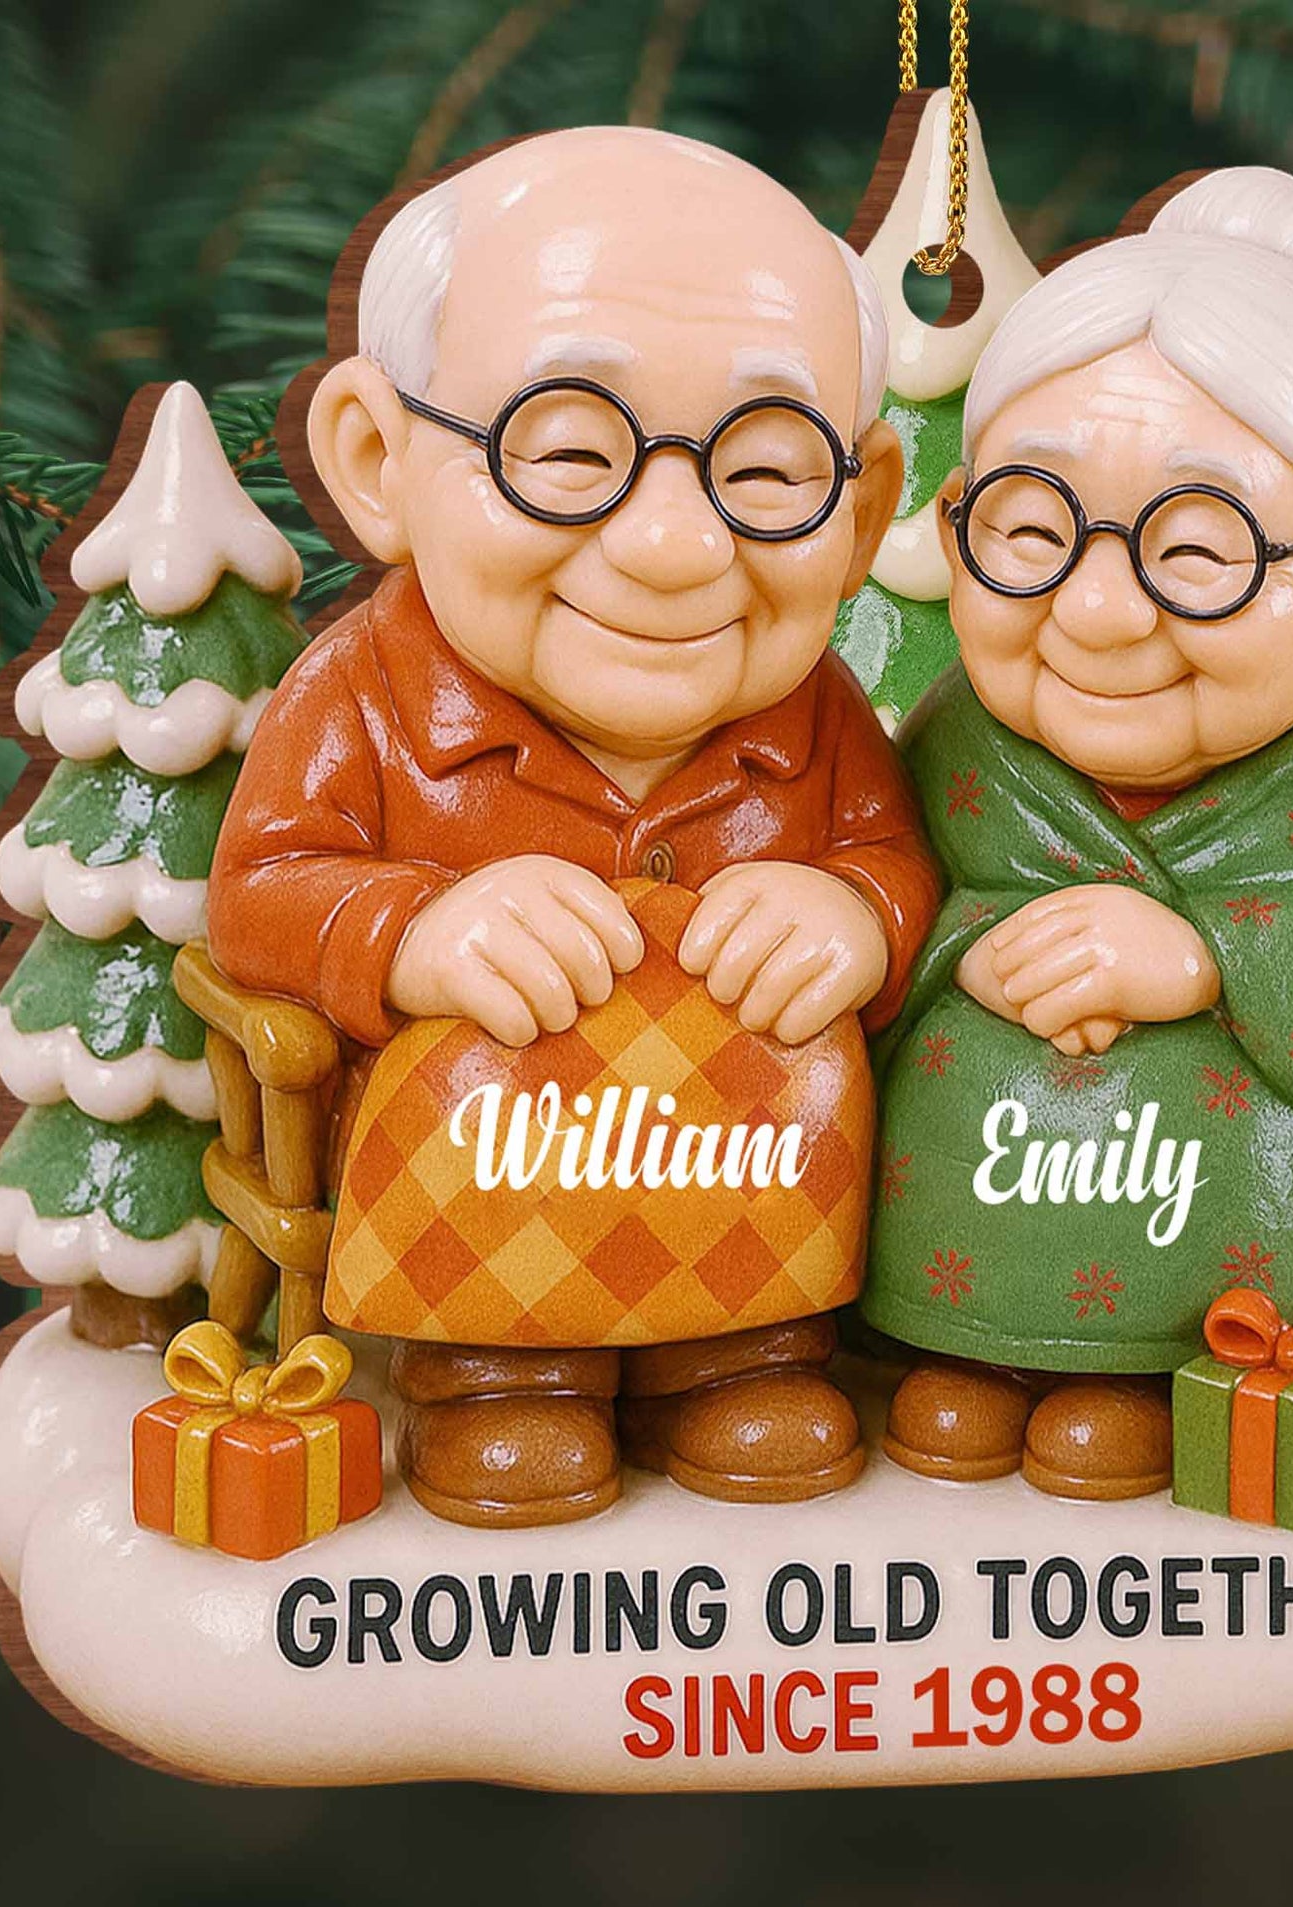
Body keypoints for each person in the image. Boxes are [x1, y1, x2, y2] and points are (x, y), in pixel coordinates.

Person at [208, 128, 940, 1525]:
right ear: (378, 459)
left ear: (864, 514)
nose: (673, 544)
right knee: (496, 1336)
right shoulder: (359, 694)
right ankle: (502, 1379)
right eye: (567, 451)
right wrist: (414, 927)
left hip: (747, 1201)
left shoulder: (822, 710)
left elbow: (891, 864)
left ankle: (733, 1356)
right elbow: (258, 892)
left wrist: (857, 914)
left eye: (771, 471)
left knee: (756, 1336)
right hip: (473, 1210)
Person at [860, 167, 1293, 1500]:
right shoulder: (962, 729)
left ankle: (1148, 1367)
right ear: (957, 530)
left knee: (1176, 1341)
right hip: (959, 1211)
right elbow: (883, 884)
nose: (1095, 611)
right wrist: (967, 943)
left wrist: (1200, 957)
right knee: (948, 1388)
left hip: (1233, 1221)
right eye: (1027, 531)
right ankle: (972, 1346)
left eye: (1195, 555)